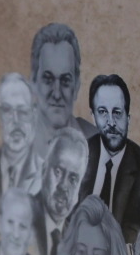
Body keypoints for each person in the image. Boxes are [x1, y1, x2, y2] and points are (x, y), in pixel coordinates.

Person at [78, 74, 140, 244]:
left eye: (117, 112)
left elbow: (134, 230)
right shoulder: (80, 155)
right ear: (93, 116)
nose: (111, 122)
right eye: (102, 112)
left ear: (128, 118)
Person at [0, 72, 43, 226]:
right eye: (7, 111)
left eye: (22, 111)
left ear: (33, 114)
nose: (15, 121)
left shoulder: (44, 172)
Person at [28, 23, 96, 162]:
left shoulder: (97, 144)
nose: (57, 94)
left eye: (65, 81)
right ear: (33, 82)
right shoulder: (16, 143)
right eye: (48, 80)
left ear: (76, 86)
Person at [30, 128, 89, 255]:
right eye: (58, 172)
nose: (63, 185)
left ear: (79, 187)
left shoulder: (77, 244)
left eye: (73, 179)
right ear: (44, 170)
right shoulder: (21, 219)